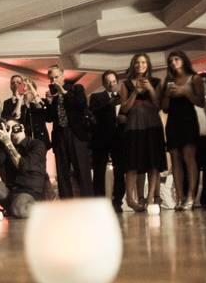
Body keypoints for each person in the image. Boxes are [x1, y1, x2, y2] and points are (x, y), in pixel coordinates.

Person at [120, 53, 166, 212]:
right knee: (132, 164)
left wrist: (149, 89)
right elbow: (124, 109)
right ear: (133, 65)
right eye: (137, 62)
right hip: (133, 126)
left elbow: (158, 105)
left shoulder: (156, 82)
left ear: (148, 65)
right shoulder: (125, 84)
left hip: (152, 125)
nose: (140, 65)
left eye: (143, 62)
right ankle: (131, 199)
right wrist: (136, 91)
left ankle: (151, 197)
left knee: (154, 163)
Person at [160, 50, 206, 210]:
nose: (173, 62)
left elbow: (201, 102)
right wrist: (166, 94)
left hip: (188, 120)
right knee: (175, 158)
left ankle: (190, 197)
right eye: (171, 60)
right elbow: (164, 109)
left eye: (177, 59)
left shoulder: (195, 78)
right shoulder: (168, 80)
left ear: (184, 60)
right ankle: (179, 198)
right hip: (172, 121)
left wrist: (186, 92)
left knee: (189, 157)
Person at [0, 119, 47, 220]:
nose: (8, 131)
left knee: (18, 208)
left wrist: (7, 142)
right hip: (9, 193)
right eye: (6, 128)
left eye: (11, 128)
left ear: (21, 127)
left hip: (28, 193)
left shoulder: (36, 145)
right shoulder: (2, 147)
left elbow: (23, 166)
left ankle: (40, 210)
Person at [46, 64, 92, 198]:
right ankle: (67, 202)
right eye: (51, 78)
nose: (54, 81)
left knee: (82, 171)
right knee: (62, 172)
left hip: (76, 135)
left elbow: (81, 104)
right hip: (60, 135)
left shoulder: (76, 88)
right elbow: (49, 118)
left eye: (56, 77)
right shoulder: (53, 94)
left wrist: (64, 92)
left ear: (63, 75)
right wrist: (49, 102)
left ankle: (88, 202)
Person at [89, 70, 126, 211]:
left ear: (117, 82)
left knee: (119, 172)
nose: (111, 84)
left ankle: (118, 203)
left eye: (114, 81)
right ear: (104, 83)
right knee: (99, 172)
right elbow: (92, 112)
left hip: (119, 139)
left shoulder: (124, 97)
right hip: (101, 139)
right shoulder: (96, 97)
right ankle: (100, 203)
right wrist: (109, 104)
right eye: (108, 81)